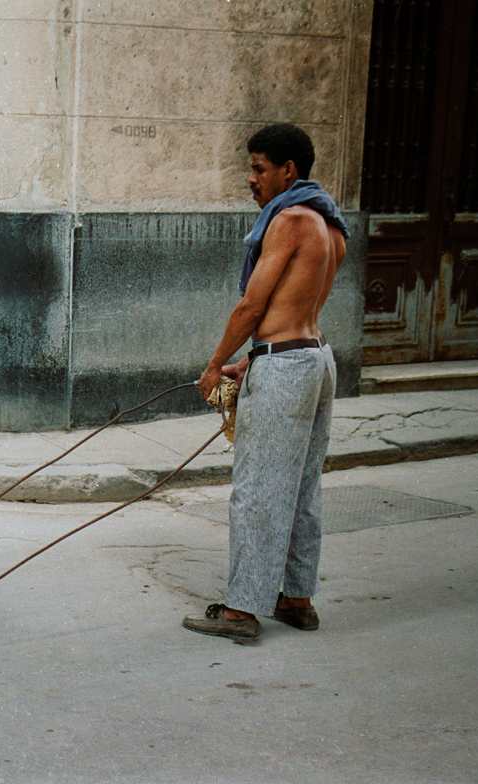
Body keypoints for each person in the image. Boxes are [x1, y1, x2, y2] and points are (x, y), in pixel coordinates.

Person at [185, 123, 349, 642]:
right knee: (301, 487)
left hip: (287, 366)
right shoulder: (331, 225)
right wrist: (255, 359)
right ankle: (297, 599)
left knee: (257, 491)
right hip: (315, 359)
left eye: (258, 168)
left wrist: (216, 363)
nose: (250, 179)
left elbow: (253, 306)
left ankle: (240, 612)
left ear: (288, 171)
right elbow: (295, 306)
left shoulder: (290, 220)